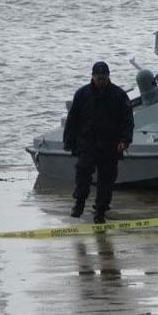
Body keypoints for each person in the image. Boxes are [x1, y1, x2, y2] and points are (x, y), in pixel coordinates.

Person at [63, 61, 134, 224]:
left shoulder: (119, 95)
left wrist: (125, 140)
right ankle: (79, 203)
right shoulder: (82, 94)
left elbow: (128, 120)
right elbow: (72, 119)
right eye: (98, 78)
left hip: (111, 144)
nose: (101, 81)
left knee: (106, 179)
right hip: (87, 142)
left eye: (104, 78)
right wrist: (68, 141)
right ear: (93, 77)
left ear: (108, 77)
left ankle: (100, 211)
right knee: (83, 171)